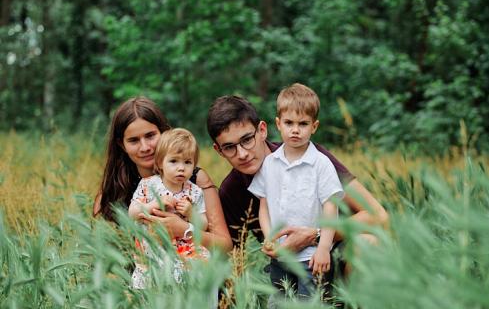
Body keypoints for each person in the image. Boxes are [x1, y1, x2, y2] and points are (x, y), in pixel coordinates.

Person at [206, 91, 387, 260]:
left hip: (337, 253)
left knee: (368, 243)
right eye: (230, 147)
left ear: (262, 130)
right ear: (219, 150)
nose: (242, 153)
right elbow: (230, 258)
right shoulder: (231, 190)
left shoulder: (313, 157)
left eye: (247, 140)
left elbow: (378, 216)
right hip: (288, 272)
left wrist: (315, 235)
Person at [93, 97, 232, 253]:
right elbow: (101, 249)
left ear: (164, 133)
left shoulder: (194, 180)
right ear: (122, 145)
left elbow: (225, 245)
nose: (145, 147)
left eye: (150, 136)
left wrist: (185, 230)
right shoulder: (115, 188)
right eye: (133, 140)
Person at [248, 84, 344, 299]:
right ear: (278, 124)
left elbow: (331, 208)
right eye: (289, 123)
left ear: (314, 126)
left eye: (303, 124)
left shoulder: (321, 164)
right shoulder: (270, 164)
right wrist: (269, 236)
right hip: (280, 257)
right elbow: (264, 206)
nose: (295, 130)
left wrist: (324, 248)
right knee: (281, 308)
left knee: (309, 306)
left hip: (311, 257)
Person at [128, 128, 211, 289]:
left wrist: (190, 213)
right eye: (174, 161)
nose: (181, 168)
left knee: (203, 263)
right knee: (152, 281)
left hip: (184, 248)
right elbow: (132, 213)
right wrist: (154, 204)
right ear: (160, 163)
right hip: (153, 245)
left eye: (187, 162)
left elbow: (204, 224)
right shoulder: (148, 184)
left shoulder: (194, 191)